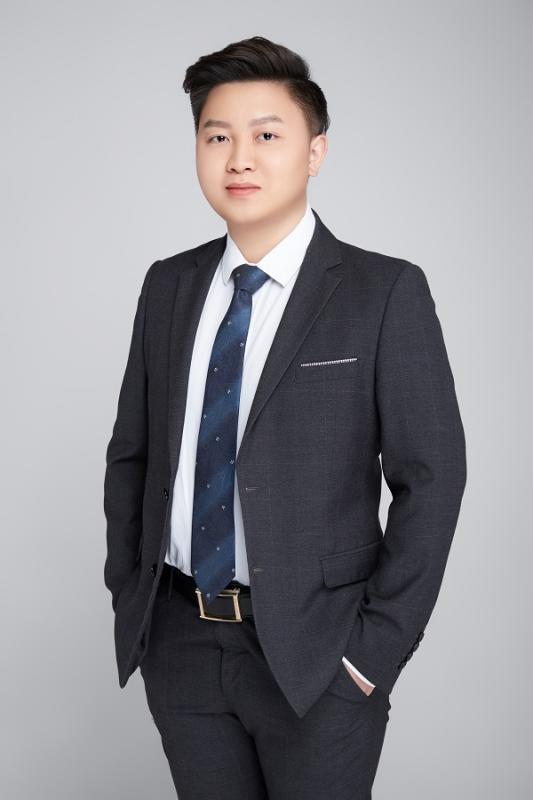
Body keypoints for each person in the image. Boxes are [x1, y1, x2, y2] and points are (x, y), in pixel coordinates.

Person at [104, 35, 467, 799]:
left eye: (266, 135)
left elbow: (432, 479)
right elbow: (131, 455)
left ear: (314, 152)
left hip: (318, 652)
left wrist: (372, 653)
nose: (239, 158)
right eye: (217, 137)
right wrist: (132, 593)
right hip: (180, 643)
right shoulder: (168, 286)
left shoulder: (382, 292)